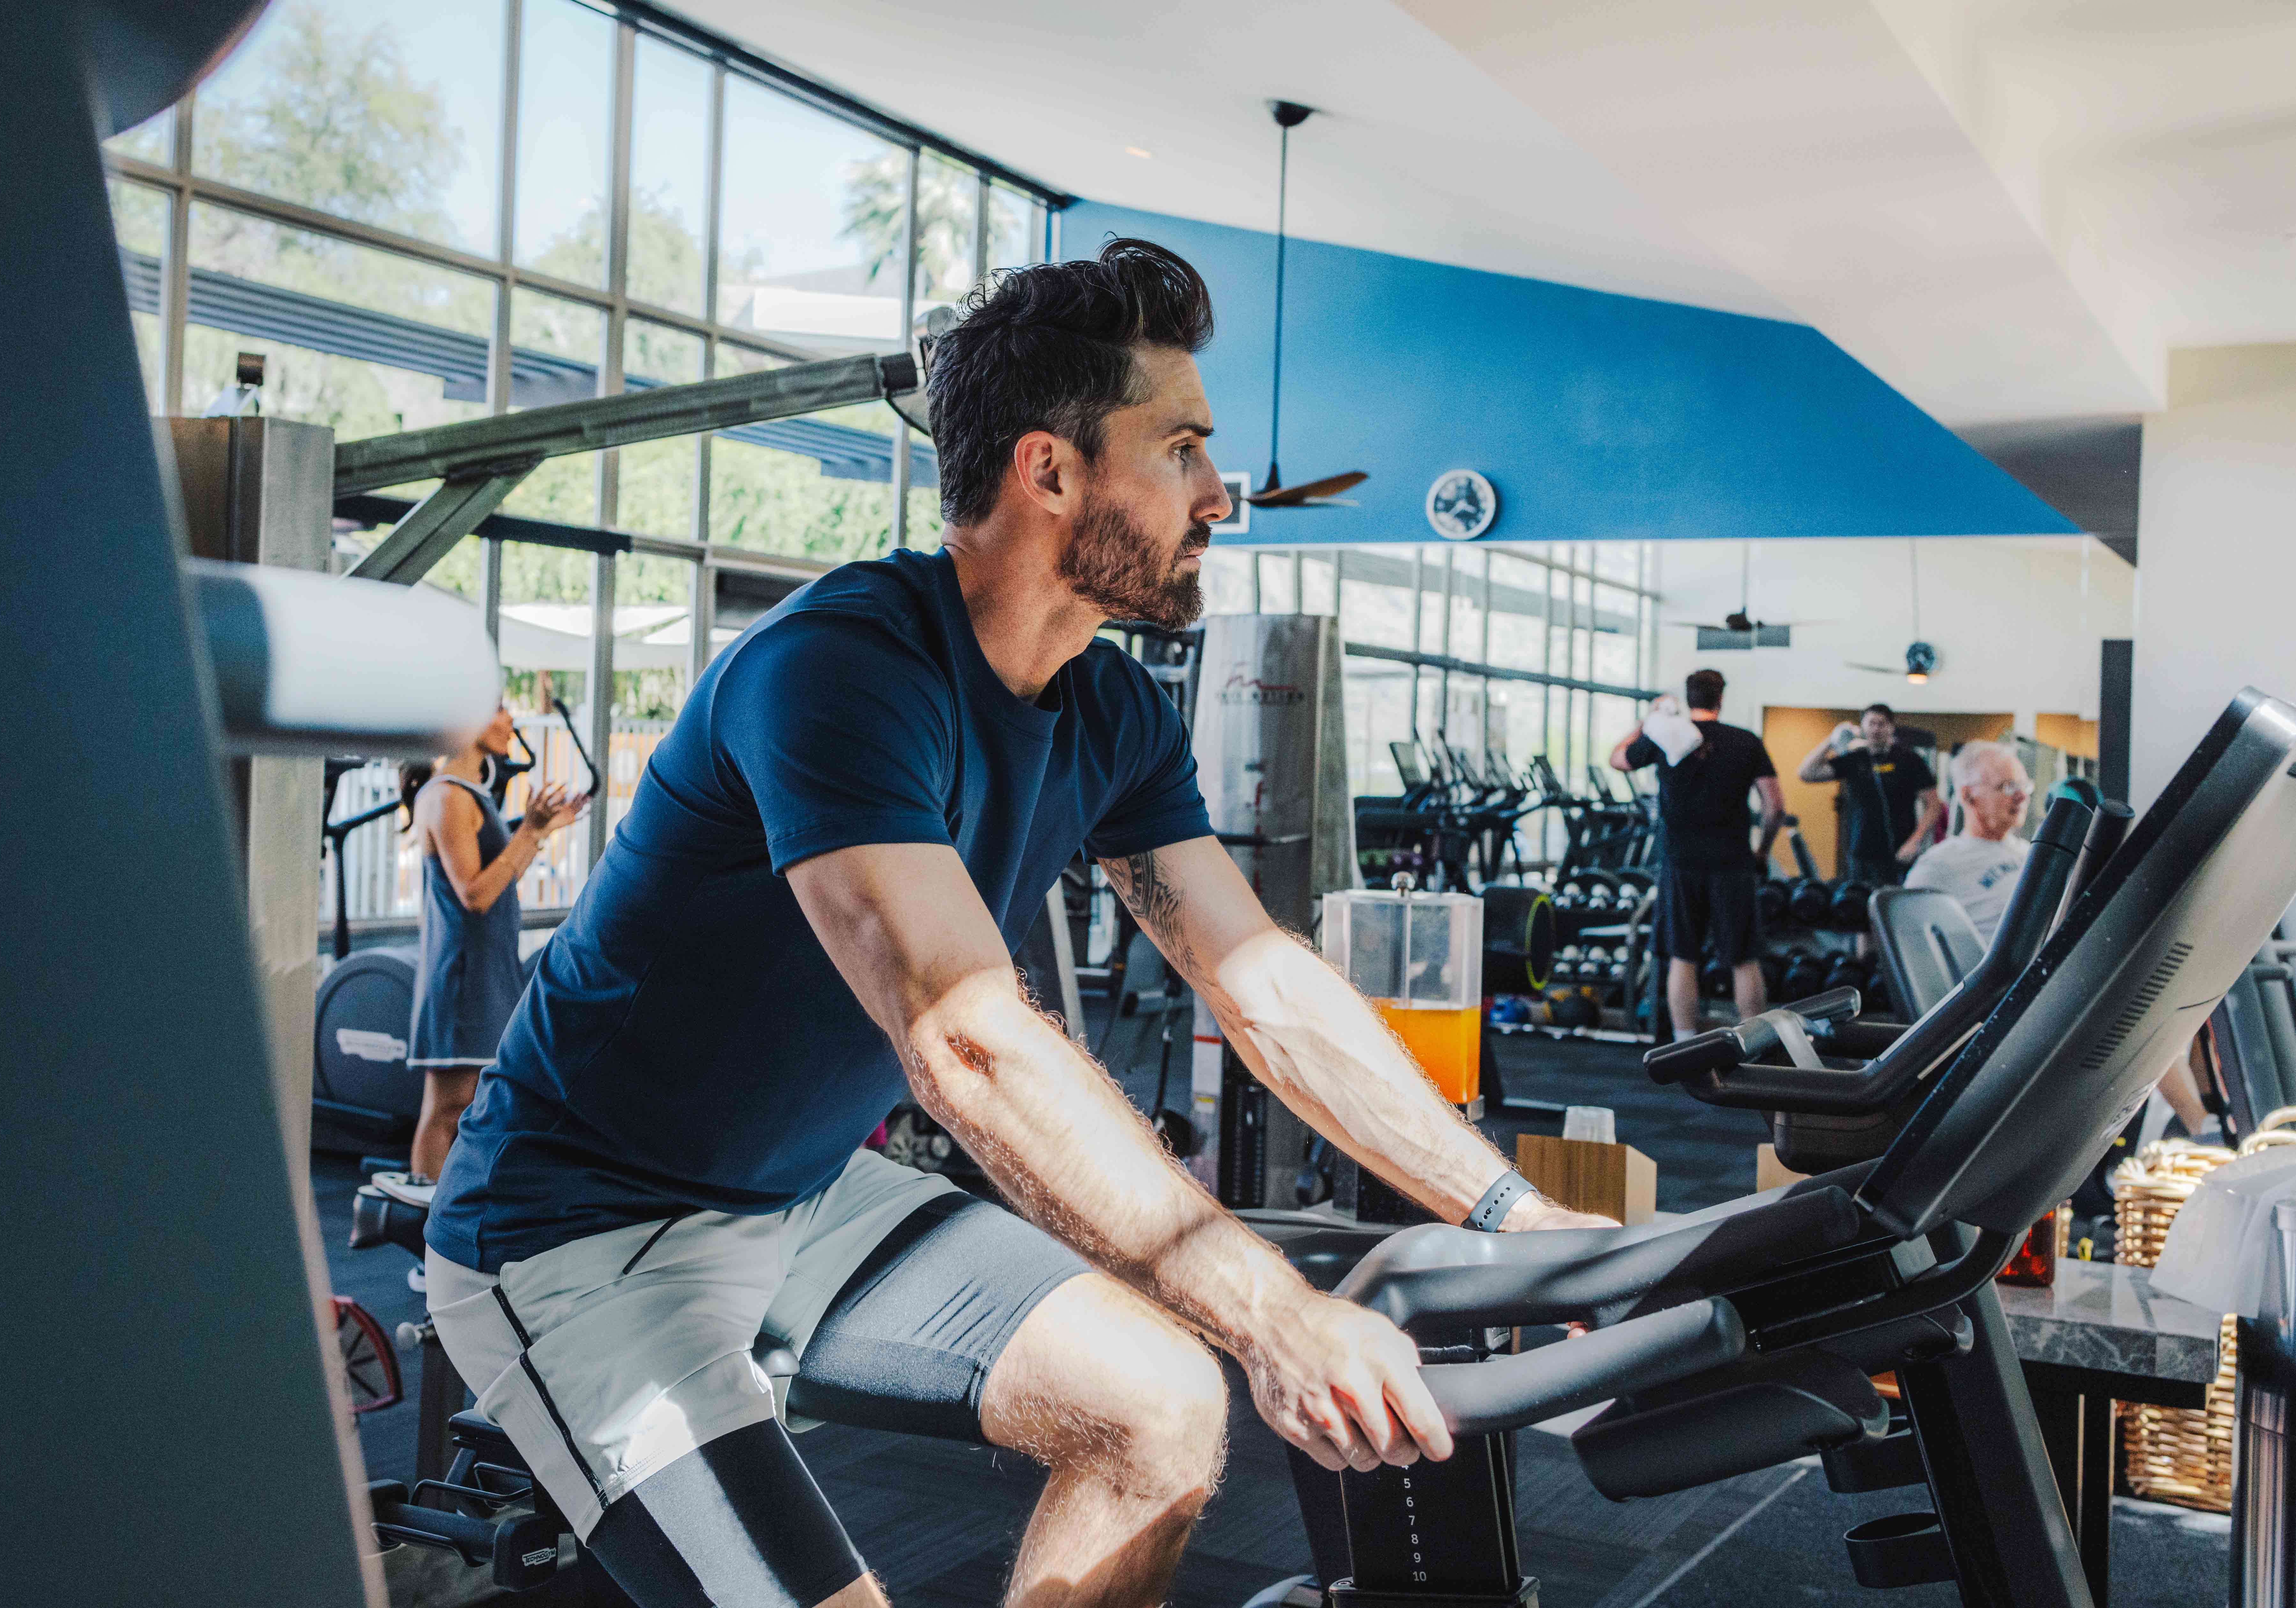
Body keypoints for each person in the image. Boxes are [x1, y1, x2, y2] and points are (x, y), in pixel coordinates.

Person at [423, 240, 1609, 1608]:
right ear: (1048, 473)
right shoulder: (839, 670)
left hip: (803, 1186)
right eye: (1180, 452)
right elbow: (968, 1044)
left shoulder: (1111, 711)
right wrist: (1276, 1313)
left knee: (1161, 1410)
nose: (1218, 497)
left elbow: (1262, 986)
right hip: (582, 1231)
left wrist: (1510, 1213)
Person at [402, 707, 582, 1183]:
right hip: (461, 974)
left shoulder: (468, 796)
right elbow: (475, 895)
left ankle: (436, 1236)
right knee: (448, 1110)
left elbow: (497, 883)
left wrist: (539, 832)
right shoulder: (447, 797)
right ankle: (421, 1241)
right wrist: (528, 831)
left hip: (484, 969)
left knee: (466, 1107)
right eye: (500, 709)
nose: (510, 722)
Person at [1609, 669, 1784, 1038]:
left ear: (1688, 698)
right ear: (1721, 698)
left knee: (1682, 956)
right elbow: (1775, 808)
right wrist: (1762, 851)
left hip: (1680, 862)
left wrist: (1648, 721)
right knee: (1743, 958)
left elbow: (1617, 759)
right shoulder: (1746, 741)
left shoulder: (1664, 735)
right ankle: (1756, 1043)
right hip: (1733, 861)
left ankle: (1684, 1043)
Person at [1797, 703, 1943, 885]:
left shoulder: (1910, 759)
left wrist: (1916, 841)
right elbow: (1806, 773)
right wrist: (1831, 740)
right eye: (1871, 724)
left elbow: (1934, 805)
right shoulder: (1854, 758)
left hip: (1900, 853)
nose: (1876, 729)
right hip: (1861, 854)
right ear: (1863, 728)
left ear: (1891, 727)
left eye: (1881, 724)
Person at [1902, 739, 2030, 940]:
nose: (2022, 796)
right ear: (1969, 796)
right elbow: (1910, 945)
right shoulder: (1937, 866)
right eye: (2008, 787)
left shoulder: (2031, 853)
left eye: (2023, 786)